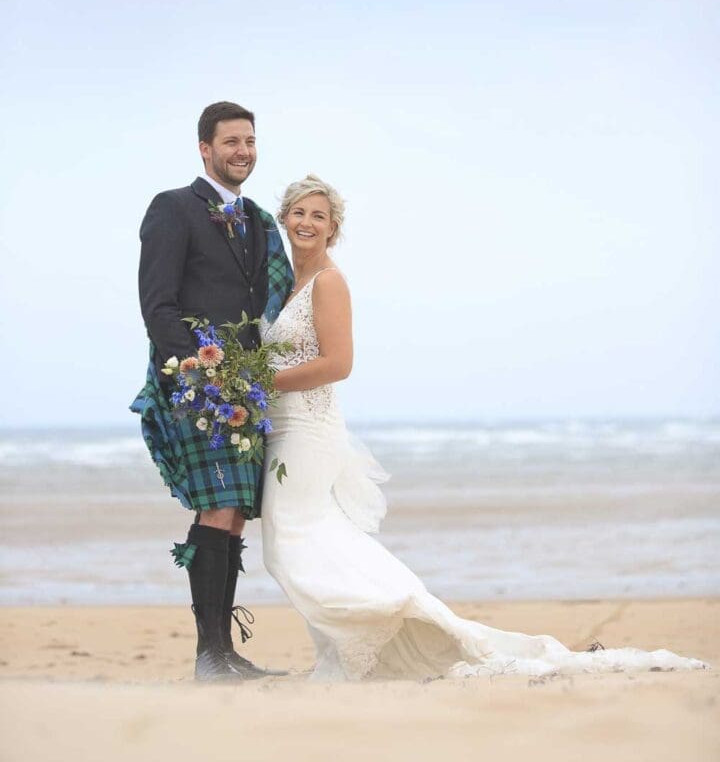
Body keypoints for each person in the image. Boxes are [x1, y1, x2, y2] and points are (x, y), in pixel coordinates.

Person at [259, 174, 706, 681]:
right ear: (284, 218)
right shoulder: (283, 286)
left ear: (333, 229)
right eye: (299, 212)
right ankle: (357, 641)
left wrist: (262, 378)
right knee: (305, 537)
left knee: (291, 539)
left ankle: (389, 610)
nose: (307, 223)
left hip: (309, 431)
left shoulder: (330, 282)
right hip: (281, 428)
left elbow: (339, 364)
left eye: (319, 216)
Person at [131, 102, 293, 681]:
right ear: (205, 148)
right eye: (231, 142)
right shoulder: (174, 208)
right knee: (216, 505)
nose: (243, 151)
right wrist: (199, 372)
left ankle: (223, 653)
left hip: (247, 384)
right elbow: (158, 306)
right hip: (198, 385)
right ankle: (209, 655)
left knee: (235, 513)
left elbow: (267, 302)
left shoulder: (258, 219)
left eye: (250, 140)